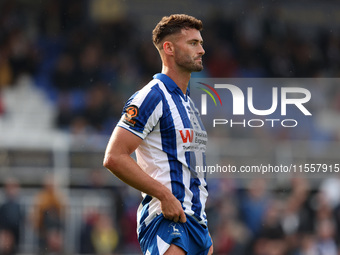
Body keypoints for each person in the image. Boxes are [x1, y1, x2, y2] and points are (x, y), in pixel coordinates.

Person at [103, 14, 213, 255]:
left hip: (197, 227)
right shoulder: (152, 96)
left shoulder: (188, 104)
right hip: (168, 223)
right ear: (169, 48)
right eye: (193, 43)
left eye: (201, 43)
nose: (202, 50)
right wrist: (164, 195)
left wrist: (202, 225)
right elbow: (114, 156)